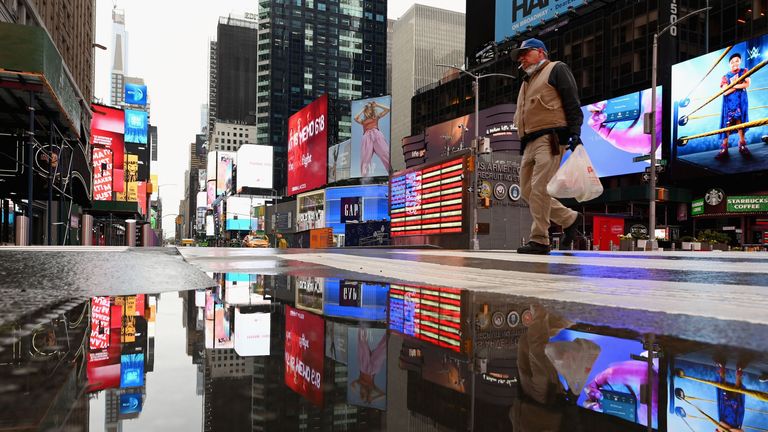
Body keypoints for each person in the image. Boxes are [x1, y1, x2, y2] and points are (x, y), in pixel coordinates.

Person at [511, 38, 583, 254]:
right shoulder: (526, 82)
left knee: (540, 189)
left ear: (541, 52)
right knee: (527, 191)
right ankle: (570, 218)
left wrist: (575, 132)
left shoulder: (557, 69)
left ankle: (540, 240)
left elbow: (572, 100)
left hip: (550, 138)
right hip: (529, 141)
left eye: (526, 53)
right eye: (520, 56)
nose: (522, 58)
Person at [717, 52, 751, 159]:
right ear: (729, 64)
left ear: (740, 61)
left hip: (740, 102)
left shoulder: (744, 71)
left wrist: (734, 85)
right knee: (727, 124)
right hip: (729, 103)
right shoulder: (725, 76)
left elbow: (747, 84)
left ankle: (742, 145)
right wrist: (737, 85)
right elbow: (725, 92)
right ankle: (724, 148)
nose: (734, 63)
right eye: (732, 62)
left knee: (740, 122)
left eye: (736, 61)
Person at [354, 101, 391, 177]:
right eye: (367, 110)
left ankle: (391, 173)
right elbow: (355, 118)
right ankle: (364, 178)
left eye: (369, 109)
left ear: (372, 110)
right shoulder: (363, 121)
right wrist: (363, 109)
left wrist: (377, 105)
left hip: (376, 135)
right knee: (365, 158)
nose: (368, 111)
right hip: (367, 137)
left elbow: (387, 109)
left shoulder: (376, 117)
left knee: (385, 153)